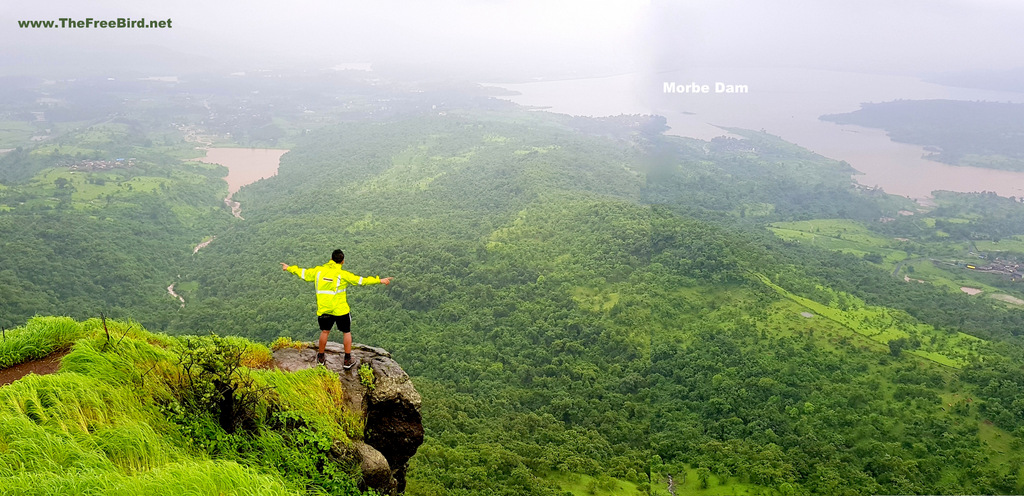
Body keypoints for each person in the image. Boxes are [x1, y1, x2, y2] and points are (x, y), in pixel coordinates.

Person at [281, 249, 392, 369]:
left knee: (325, 331)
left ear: (331, 259)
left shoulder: (319, 271)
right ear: (342, 261)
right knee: (346, 332)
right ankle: (347, 360)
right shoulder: (343, 275)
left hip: (325, 309)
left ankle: (321, 357)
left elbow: (303, 273)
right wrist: (379, 280)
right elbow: (361, 281)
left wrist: (289, 268)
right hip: (341, 310)